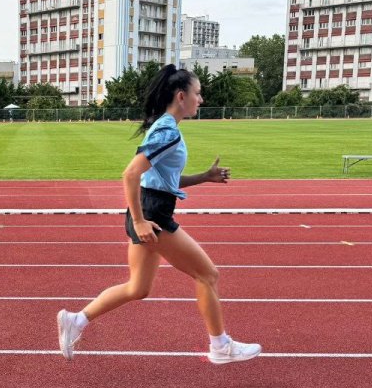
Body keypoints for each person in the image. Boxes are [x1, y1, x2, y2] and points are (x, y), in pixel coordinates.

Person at [57, 64, 261, 365]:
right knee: (207, 274)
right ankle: (221, 346)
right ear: (181, 96)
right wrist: (139, 221)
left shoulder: (166, 128)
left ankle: (77, 320)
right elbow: (131, 174)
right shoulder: (167, 131)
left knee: (138, 288)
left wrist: (204, 176)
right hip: (151, 216)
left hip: (148, 209)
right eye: (198, 93)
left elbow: (163, 179)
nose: (200, 100)